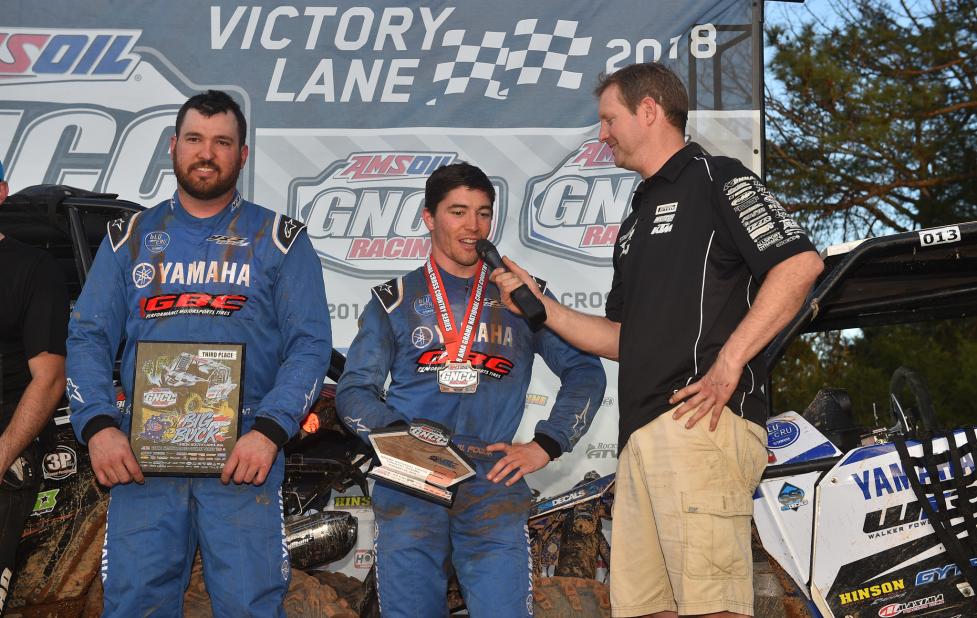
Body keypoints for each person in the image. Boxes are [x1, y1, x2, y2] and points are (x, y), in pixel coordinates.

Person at [491, 63, 824, 618]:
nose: (602, 134)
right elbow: (622, 339)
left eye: (609, 119)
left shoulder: (719, 178)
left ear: (649, 110)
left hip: (700, 426)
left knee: (711, 607)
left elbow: (798, 265)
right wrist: (543, 306)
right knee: (645, 609)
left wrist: (729, 364)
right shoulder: (635, 217)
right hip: (640, 437)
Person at [66, 91, 332, 617]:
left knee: (250, 606)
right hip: (143, 457)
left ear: (243, 155)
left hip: (244, 454)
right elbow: (87, 337)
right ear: (173, 147)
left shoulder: (279, 240)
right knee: (135, 605)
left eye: (222, 142)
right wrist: (97, 426)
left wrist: (270, 431)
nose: (206, 153)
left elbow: (310, 344)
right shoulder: (128, 239)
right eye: (194, 139)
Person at [336, 162, 606, 617]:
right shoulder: (395, 299)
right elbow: (354, 391)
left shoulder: (523, 296)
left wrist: (547, 443)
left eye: (483, 213)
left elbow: (586, 371)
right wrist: (403, 442)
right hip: (412, 479)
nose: (473, 226)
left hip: (492, 478)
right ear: (429, 217)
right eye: (458, 212)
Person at [0, 160, 69, 617]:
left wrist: (2, 453)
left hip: (9, 428)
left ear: (1, 191)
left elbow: (49, 378)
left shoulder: (33, 267)